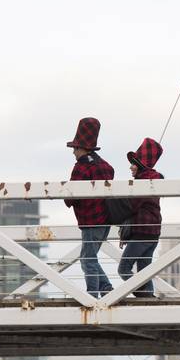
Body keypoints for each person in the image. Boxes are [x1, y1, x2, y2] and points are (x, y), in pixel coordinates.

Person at [64, 117, 115, 298]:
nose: (73, 153)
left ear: (80, 148)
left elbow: (70, 197)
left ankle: (93, 294)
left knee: (88, 260)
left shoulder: (81, 168)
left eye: (74, 149)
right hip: (106, 220)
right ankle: (107, 288)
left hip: (89, 221)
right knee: (89, 258)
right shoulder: (106, 166)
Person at [117, 137, 164, 298]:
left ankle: (145, 296)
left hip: (142, 233)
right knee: (144, 271)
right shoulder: (153, 179)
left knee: (123, 269)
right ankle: (149, 299)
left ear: (141, 165)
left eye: (134, 163)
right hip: (153, 233)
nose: (130, 167)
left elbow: (131, 205)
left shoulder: (143, 181)